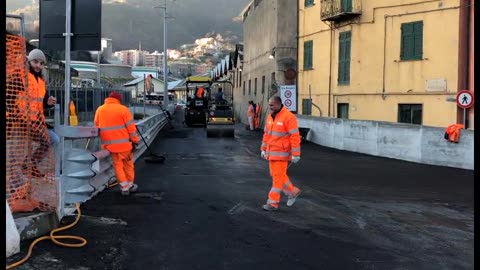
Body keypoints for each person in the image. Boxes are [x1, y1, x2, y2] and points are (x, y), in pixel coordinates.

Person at [20, 49, 60, 177]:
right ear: (29, 61)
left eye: (41, 63)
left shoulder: (41, 82)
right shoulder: (22, 76)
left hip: (36, 121)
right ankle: (28, 166)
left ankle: (29, 165)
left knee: (53, 138)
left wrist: (48, 102)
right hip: (21, 120)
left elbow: (41, 102)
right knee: (50, 139)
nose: (38, 65)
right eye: (35, 62)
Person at [94, 91, 140, 196]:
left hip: (110, 146)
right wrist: (135, 140)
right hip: (125, 145)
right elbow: (131, 129)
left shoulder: (100, 109)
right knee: (128, 165)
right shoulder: (123, 109)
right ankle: (130, 184)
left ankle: (124, 187)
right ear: (119, 100)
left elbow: (96, 125)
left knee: (118, 166)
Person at [260, 96, 302, 211]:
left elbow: (295, 136)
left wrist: (296, 154)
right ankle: (293, 192)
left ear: (279, 104)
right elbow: (266, 134)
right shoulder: (270, 117)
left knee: (277, 178)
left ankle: (273, 203)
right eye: (269, 105)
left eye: (272, 105)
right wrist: (263, 149)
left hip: (282, 154)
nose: (270, 107)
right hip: (271, 153)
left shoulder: (289, 117)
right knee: (276, 175)